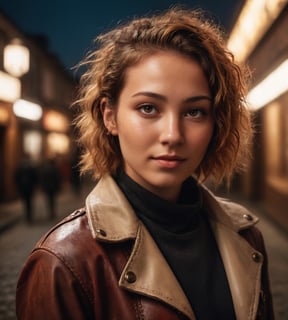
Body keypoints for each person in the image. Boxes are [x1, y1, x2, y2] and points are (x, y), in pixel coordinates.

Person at [16, 8, 274, 319]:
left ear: (216, 123)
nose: (173, 135)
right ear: (110, 115)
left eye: (194, 112)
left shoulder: (246, 237)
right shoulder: (63, 261)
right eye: (149, 108)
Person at [14, 153, 38, 223]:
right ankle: (28, 216)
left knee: (28, 202)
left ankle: (29, 216)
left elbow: (35, 177)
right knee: (27, 202)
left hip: (28, 188)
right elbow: (16, 177)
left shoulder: (29, 167)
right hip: (25, 188)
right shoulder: (22, 168)